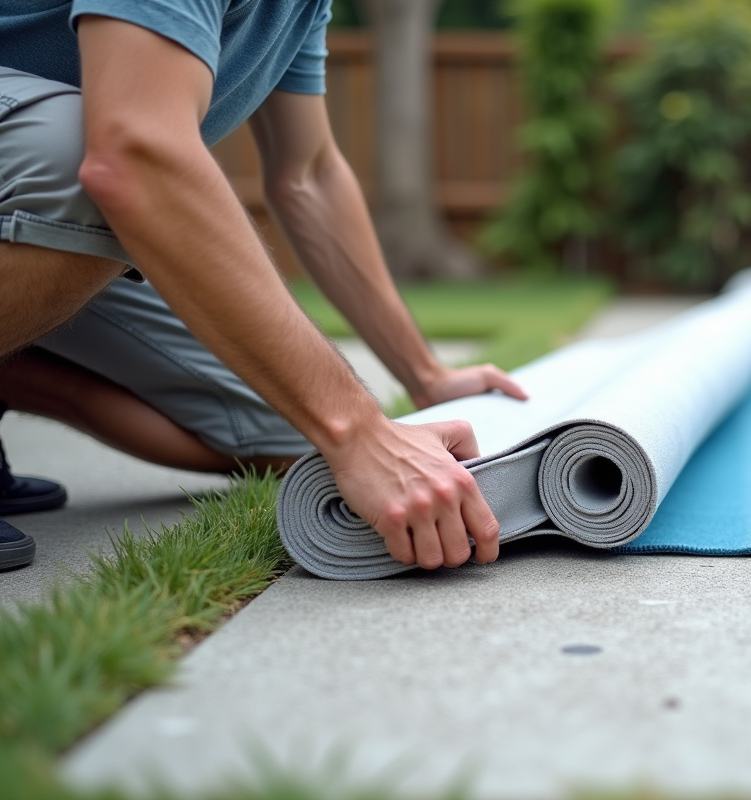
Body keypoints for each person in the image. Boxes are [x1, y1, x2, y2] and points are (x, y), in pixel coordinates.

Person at [0, 1, 527, 573]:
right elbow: (133, 151)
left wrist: (425, 376)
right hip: (62, 180)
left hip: (38, 210)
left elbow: (310, 175)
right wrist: (359, 433)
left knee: (282, 430)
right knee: (98, 152)